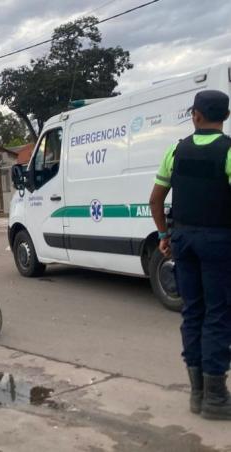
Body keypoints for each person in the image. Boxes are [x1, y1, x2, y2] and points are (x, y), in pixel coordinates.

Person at [149, 89, 231, 420]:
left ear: (196, 115)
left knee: (193, 312)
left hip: (182, 239)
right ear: (224, 116)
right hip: (219, 241)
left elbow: (155, 200)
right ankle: (216, 398)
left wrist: (165, 236)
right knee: (219, 314)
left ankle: (198, 394)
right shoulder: (228, 152)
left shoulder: (175, 150)